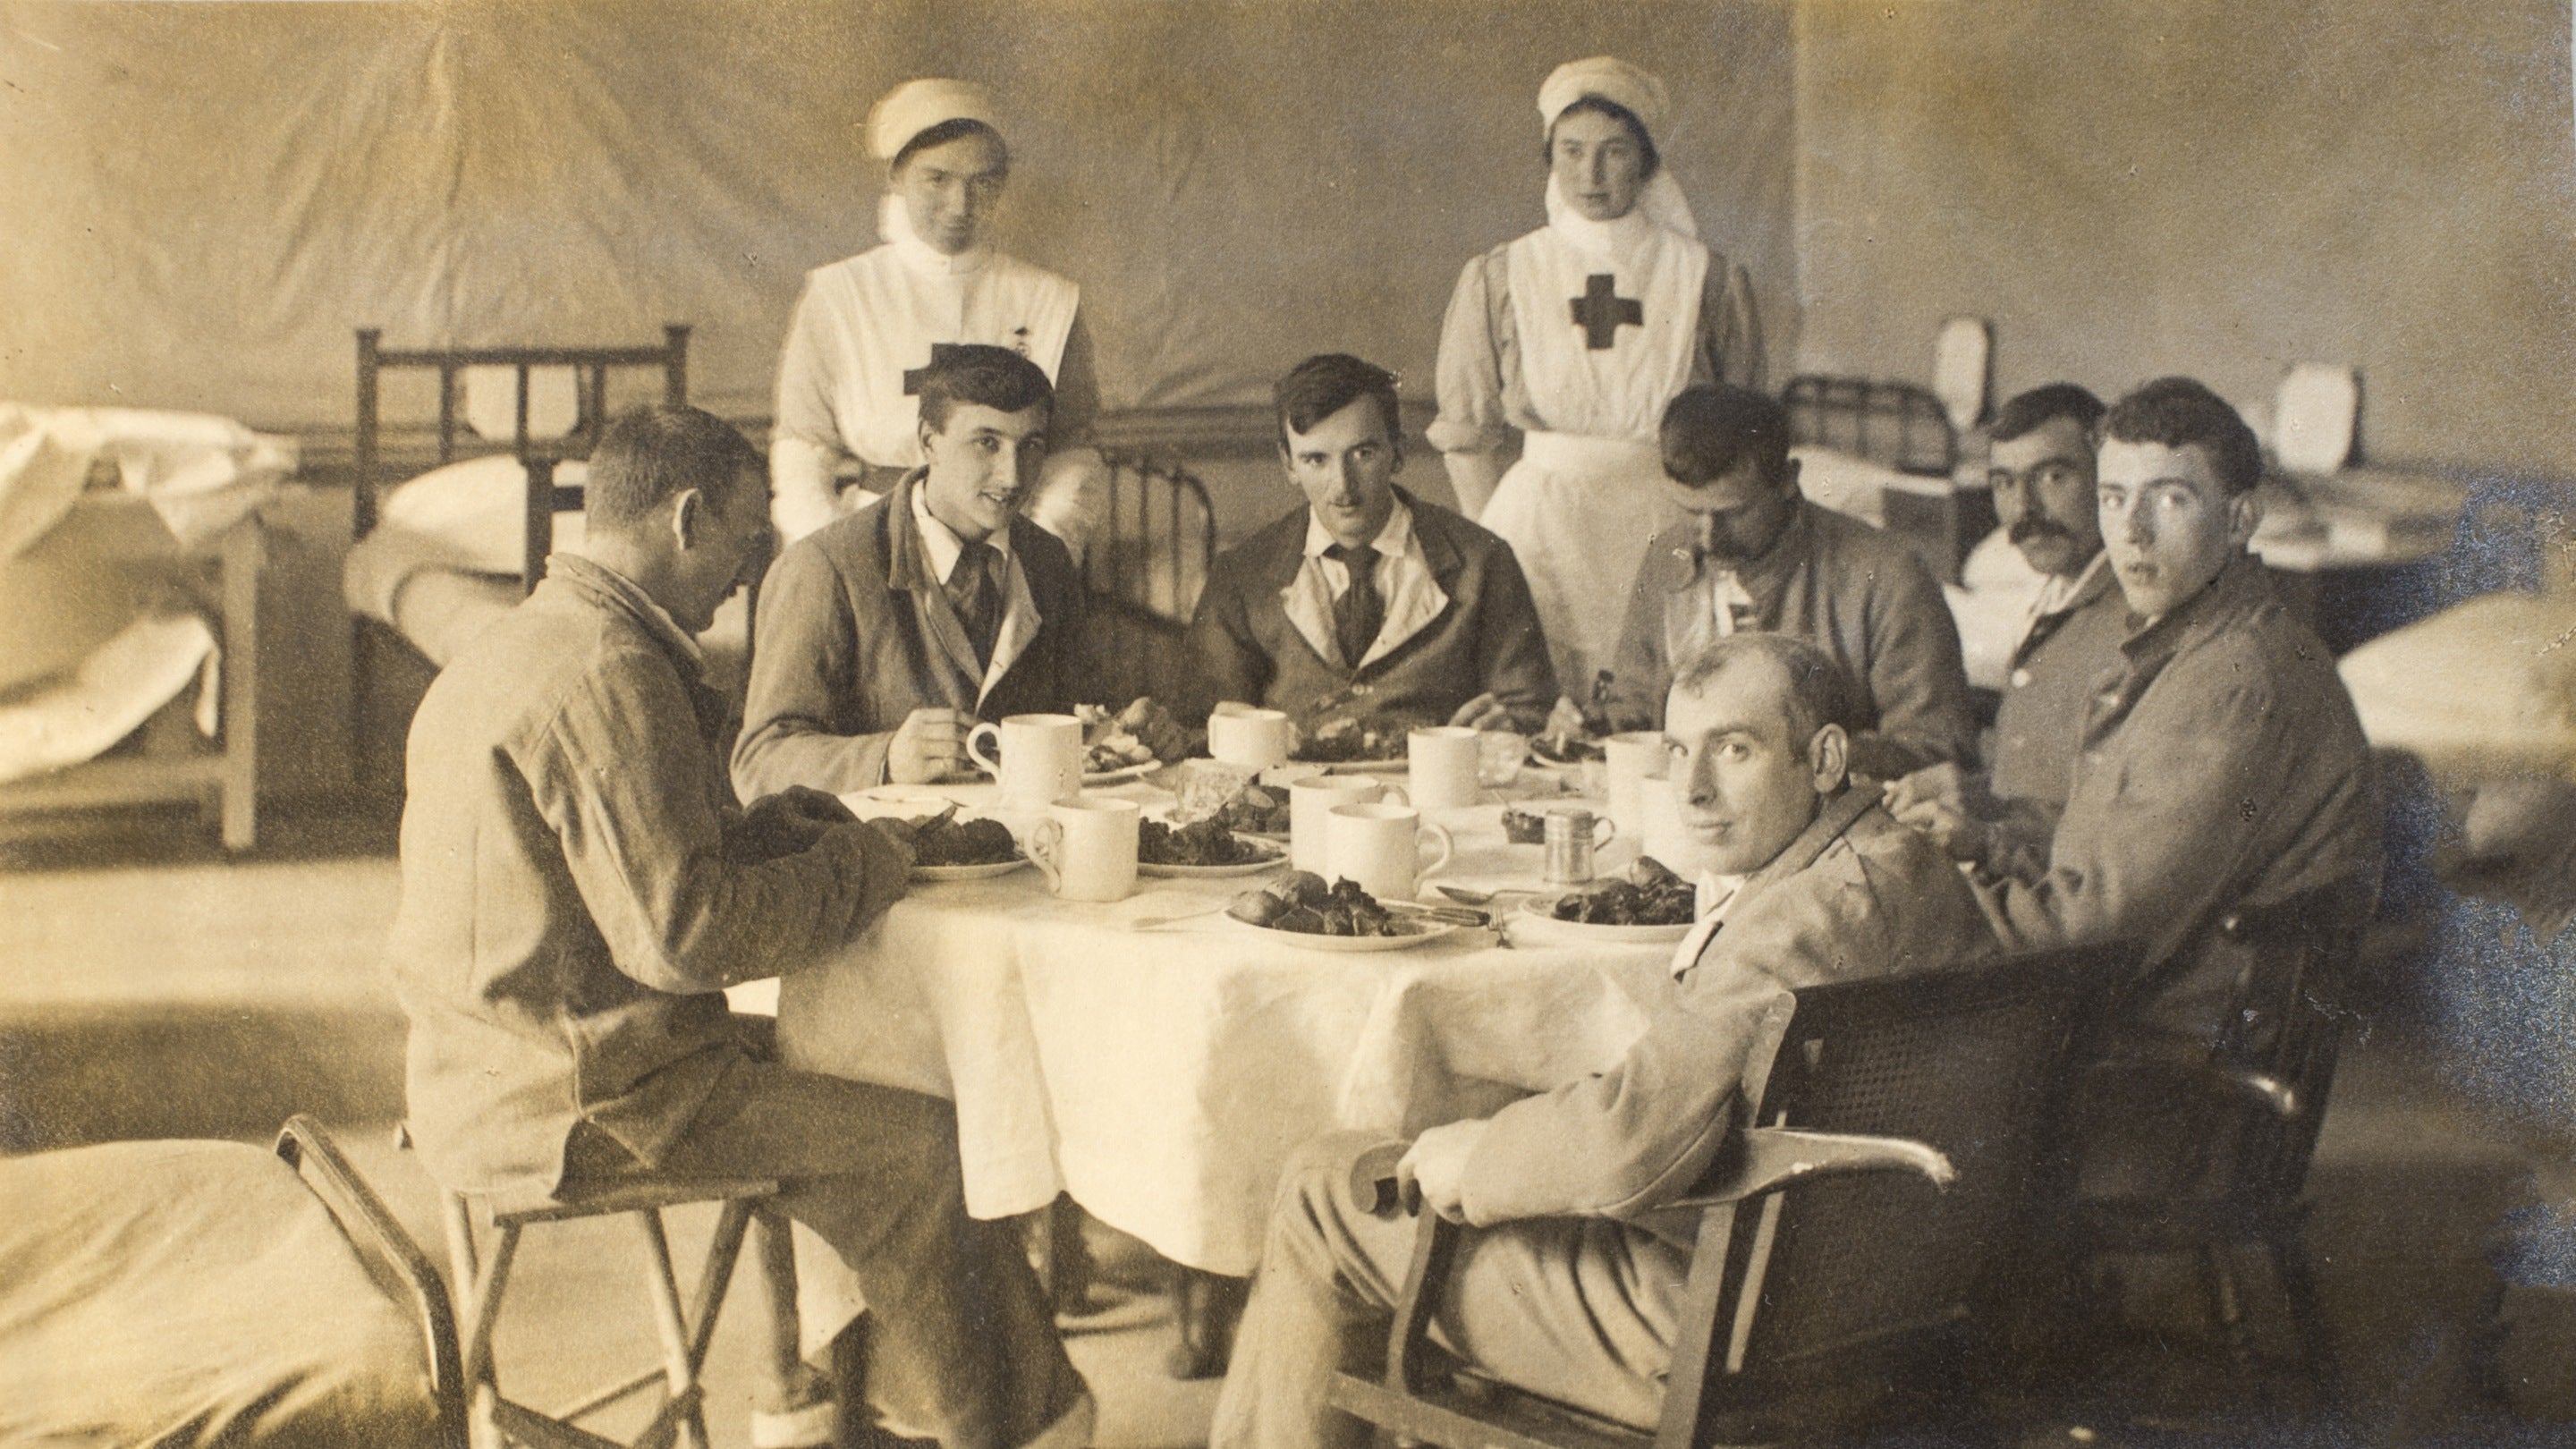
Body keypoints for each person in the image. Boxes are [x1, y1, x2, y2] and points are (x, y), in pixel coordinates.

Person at [388, 404, 1090, 1449]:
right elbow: (686, 939)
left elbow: (625, 868)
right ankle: (1019, 1426)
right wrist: (866, 860)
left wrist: (785, 827)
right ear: (683, 519)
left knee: (869, 1074)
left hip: (485, 1066)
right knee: (925, 1149)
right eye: (742, 538)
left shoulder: (532, 639)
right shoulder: (609, 673)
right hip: (589, 1100)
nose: (749, 569)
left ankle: (848, 1403)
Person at [1210, 634, 1994, 1448]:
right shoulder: (1913, 870)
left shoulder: (1801, 924)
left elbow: (1633, 1141)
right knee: (1475, 1126)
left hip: (1718, 1337)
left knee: (1325, 1188)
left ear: (1825, 757)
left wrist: (1475, 1161)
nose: (1691, 790)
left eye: (1734, 749)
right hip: (1888, 1314)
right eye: (1678, 751)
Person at [1900, 377, 2381, 1191]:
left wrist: (1913, 904)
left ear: (2238, 518)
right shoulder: (2196, 643)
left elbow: (2094, 929)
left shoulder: (2233, 682)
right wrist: (1991, 838)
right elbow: (2119, 845)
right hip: (2154, 1032)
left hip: (2170, 1079)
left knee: (1861, 1065)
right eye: (2115, 496)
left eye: (2171, 499)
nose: (2130, 529)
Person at [1430, 55, 1765, 694]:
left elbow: (1744, 433)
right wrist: (1494, 548)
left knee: (1660, 695)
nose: (1591, 173)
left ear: (1645, 160)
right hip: (1538, 528)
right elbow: (1467, 435)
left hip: (1666, 520)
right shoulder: (1502, 275)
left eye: (1613, 152)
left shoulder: (1707, 279)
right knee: (1532, 697)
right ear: (1550, 155)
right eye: (1571, 150)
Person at [738, 344, 1146, 799]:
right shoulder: (824, 567)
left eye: (1030, 446)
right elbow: (758, 763)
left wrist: (1123, 728)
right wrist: (887, 758)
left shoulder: (1046, 559)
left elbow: (1077, 717)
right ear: (929, 442)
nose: (1012, 476)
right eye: (986, 443)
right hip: (884, 852)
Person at [769, 77, 1107, 557]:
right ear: (896, 177)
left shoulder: (1048, 300)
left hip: (1008, 545)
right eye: (937, 179)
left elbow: (1072, 451)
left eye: (983, 183)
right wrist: (832, 563)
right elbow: (804, 449)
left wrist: (1039, 557)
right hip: (873, 542)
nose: (961, 205)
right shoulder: (839, 295)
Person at [1601, 384, 1978, 778]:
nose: (1709, 539)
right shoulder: (1671, 555)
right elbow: (1636, 706)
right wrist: (1594, 725)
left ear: (1788, 480)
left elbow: (1936, 752)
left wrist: (1810, 759)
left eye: (1733, 513)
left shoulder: (1887, 577)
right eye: (1691, 512)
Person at [1183, 354, 1556, 740]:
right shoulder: (1242, 575)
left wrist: (1508, 725)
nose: (1343, 487)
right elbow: (1200, 723)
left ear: (1397, 451)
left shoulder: (1482, 561)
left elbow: (1531, 711)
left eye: (1363, 454)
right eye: (1316, 460)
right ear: (1288, 464)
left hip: (1433, 792)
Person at [1885, 384, 2126, 872]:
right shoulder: (2059, 594)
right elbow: (2041, 776)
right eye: (2003, 484)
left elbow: (2115, 833)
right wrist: (1971, 791)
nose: (2023, 508)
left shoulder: (2132, 620)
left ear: (2111, 480)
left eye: (2053, 476)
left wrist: (1984, 822)